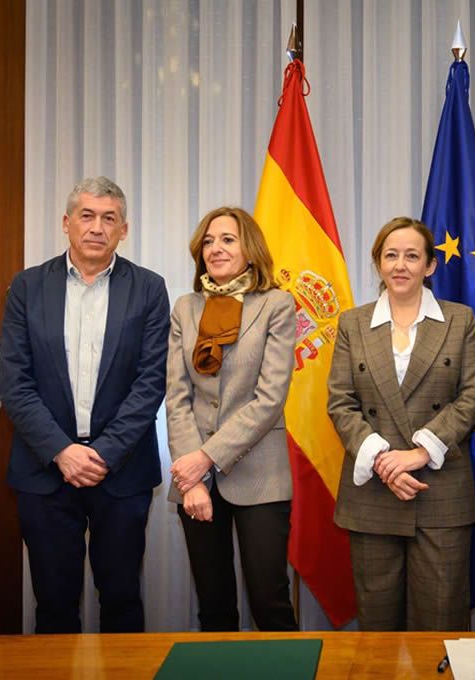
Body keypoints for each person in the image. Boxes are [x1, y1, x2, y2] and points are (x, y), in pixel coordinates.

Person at [0, 177, 170, 633]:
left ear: (124, 229)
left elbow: (151, 381)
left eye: (108, 218)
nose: (97, 227)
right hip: (45, 470)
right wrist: (62, 450)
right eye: (87, 216)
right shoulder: (28, 286)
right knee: (53, 606)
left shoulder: (150, 289)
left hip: (123, 470)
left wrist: (104, 453)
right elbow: (15, 381)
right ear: (66, 223)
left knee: (122, 601)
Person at [327, 216, 475, 630]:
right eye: (391, 255)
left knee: (441, 624)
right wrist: (386, 462)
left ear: (429, 266)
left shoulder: (459, 319)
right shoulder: (352, 323)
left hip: (440, 490)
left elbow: (472, 397)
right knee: (377, 629)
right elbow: (341, 402)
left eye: (412, 256)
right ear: (378, 263)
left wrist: (419, 453)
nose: (400, 265)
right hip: (373, 495)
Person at [164, 207, 298, 631]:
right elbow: (177, 396)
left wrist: (204, 458)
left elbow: (269, 398)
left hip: (261, 475)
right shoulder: (186, 307)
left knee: (270, 603)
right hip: (195, 480)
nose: (216, 248)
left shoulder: (276, 304)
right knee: (214, 606)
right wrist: (193, 478)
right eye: (208, 241)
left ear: (250, 249)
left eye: (228, 239)